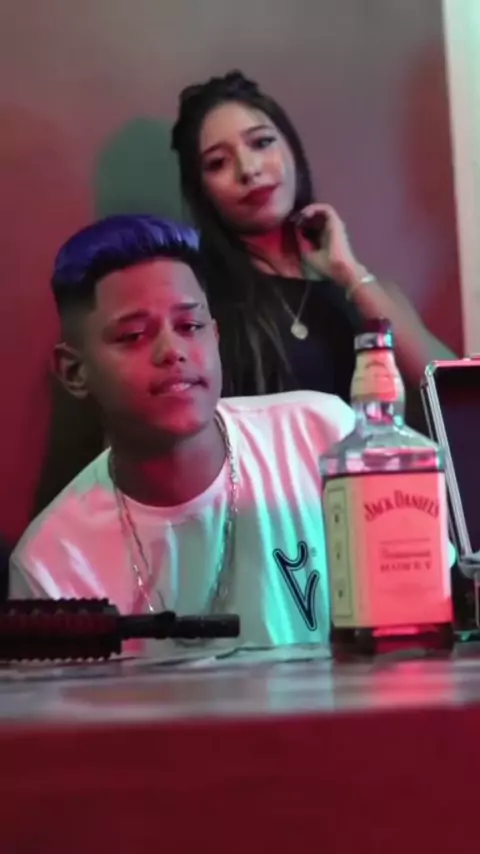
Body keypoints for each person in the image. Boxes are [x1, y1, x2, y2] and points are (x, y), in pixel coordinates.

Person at [9, 214, 358, 653]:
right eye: (134, 335)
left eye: (190, 327)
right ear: (75, 372)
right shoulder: (53, 563)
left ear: (214, 336)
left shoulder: (325, 437)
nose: (172, 351)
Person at [171, 70, 455, 402]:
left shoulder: (361, 288)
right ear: (202, 191)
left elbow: (455, 394)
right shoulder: (199, 302)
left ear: (292, 150)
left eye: (261, 142)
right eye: (218, 162)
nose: (248, 169)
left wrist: (350, 273)